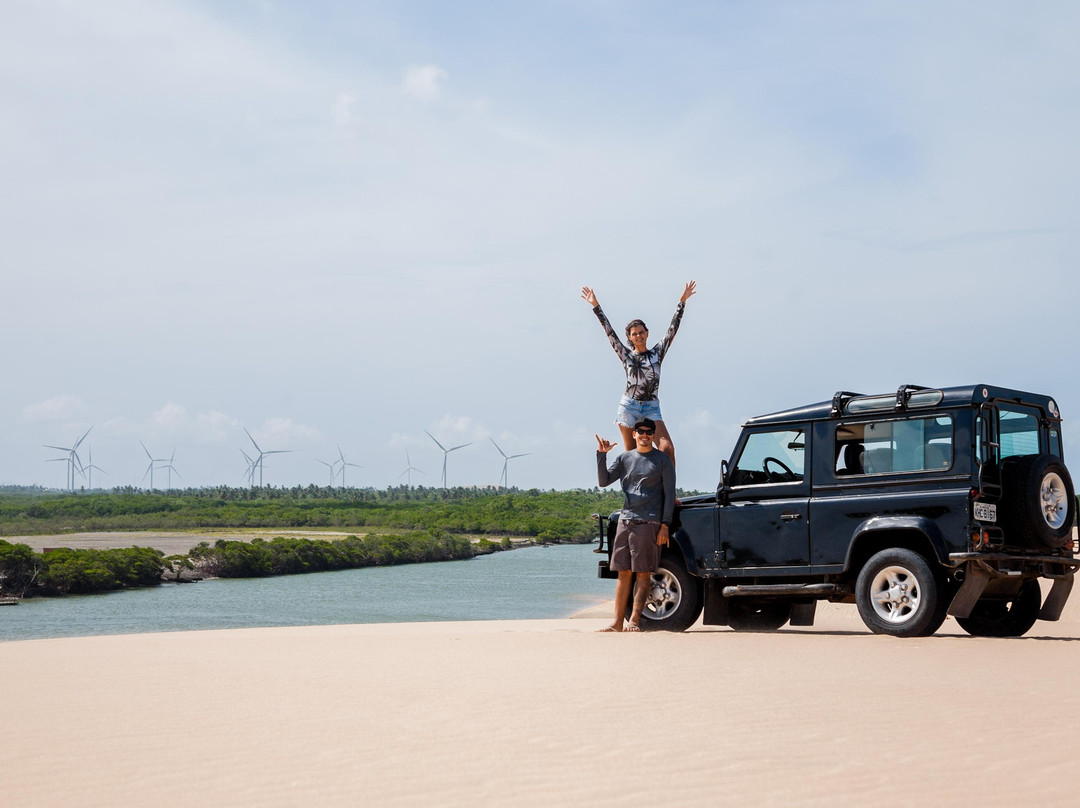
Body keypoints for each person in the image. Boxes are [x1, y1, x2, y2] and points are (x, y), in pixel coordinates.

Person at [581, 281, 696, 465]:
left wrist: (682, 301)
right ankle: (634, 493)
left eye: (641, 332)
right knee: (634, 457)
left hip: (651, 407)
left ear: (647, 333)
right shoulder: (626, 355)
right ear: (630, 338)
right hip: (630, 407)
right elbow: (608, 330)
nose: (638, 336)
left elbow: (672, 329)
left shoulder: (657, 353)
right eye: (634, 334)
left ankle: (668, 493)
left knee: (667, 449)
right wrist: (596, 306)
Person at [595, 418, 676, 632]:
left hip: (649, 522)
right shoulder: (624, 458)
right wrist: (601, 455)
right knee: (623, 573)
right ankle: (616, 623)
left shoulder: (662, 461)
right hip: (625, 520)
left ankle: (634, 620)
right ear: (634, 434)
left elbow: (670, 494)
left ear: (653, 435)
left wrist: (665, 525)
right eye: (641, 431)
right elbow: (603, 481)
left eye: (649, 432)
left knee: (642, 573)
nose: (645, 435)